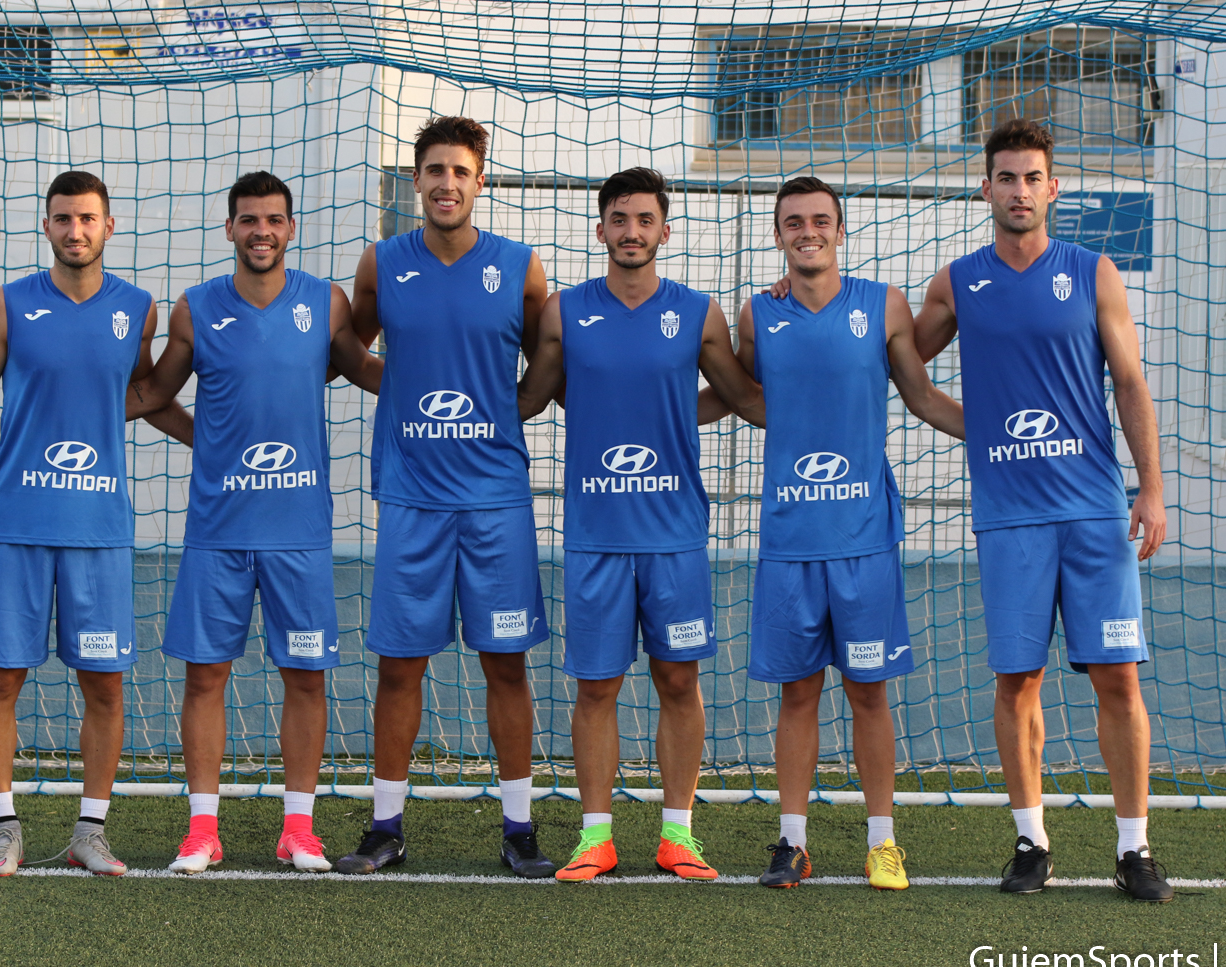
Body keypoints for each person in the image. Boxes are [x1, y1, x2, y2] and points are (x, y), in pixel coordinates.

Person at [914, 119, 1172, 901]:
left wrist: (1151, 489)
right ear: (985, 188)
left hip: (1093, 511)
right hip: (1011, 516)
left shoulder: (1094, 272)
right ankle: (1031, 842)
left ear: (1052, 188)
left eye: (1032, 178)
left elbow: (1129, 383)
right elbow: (901, 368)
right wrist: (982, 427)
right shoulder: (956, 282)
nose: (1019, 191)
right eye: (1006, 177)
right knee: (1017, 681)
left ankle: (1134, 849)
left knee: (1118, 680)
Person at [126, 171, 380, 873]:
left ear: (291, 228)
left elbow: (365, 369)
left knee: (306, 678)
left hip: (300, 530)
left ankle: (298, 830)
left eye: (273, 220)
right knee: (205, 678)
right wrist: (198, 437)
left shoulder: (325, 303)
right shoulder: (196, 307)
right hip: (219, 530)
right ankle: (202, 831)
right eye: (248, 220)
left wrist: (453, 388)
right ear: (230, 229)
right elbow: (152, 393)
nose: (261, 231)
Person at [0, 170, 193, 877]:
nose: (75, 230)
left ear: (109, 226)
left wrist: (212, 439)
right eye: (63, 218)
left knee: (104, 685)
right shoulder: (8, 304)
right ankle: (4, 832)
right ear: (45, 225)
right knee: (1, 681)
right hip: (19, 523)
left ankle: (90, 833)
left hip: (100, 528)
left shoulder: (137, 309)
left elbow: (140, 394)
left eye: (87, 218)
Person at [517, 168, 765, 881]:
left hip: (674, 535)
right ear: (600, 229)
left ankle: (677, 835)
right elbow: (531, 398)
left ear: (665, 230)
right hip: (596, 534)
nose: (632, 232)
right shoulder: (564, 311)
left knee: (679, 682)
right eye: (619, 220)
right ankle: (595, 837)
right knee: (596, 687)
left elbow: (742, 396)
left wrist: (834, 402)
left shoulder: (698, 313)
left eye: (644, 220)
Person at [335, 117, 556, 878]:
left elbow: (547, 358)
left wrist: (507, 410)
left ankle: (520, 828)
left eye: (460, 171)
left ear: (480, 181)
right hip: (412, 498)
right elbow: (350, 346)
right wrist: (396, 389)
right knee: (400, 667)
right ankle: (385, 827)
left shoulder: (519, 267)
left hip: (495, 500)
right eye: (434, 170)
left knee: (506, 665)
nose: (446, 184)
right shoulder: (383, 262)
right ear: (417, 180)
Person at [740, 177, 965, 890]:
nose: (807, 231)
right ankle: (791, 842)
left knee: (869, 693)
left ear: (841, 231)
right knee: (797, 694)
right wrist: (648, 414)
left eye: (820, 220)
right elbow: (743, 397)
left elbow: (921, 395)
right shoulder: (757, 315)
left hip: (865, 538)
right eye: (793, 222)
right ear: (779, 235)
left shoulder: (884, 304)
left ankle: (882, 842)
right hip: (790, 538)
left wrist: (995, 435)